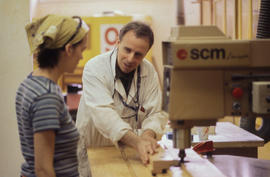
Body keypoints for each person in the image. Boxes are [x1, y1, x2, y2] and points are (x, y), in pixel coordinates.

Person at [76, 21, 168, 176]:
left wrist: (147, 135)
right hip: (95, 148)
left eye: (138, 54)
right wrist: (138, 141)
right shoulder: (95, 68)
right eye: (127, 50)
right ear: (117, 43)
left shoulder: (149, 71)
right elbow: (104, 113)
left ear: (146, 53)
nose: (131, 58)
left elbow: (155, 112)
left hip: (130, 149)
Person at [15, 14, 89, 177]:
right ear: (69, 49)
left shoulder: (30, 82)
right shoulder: (46, 96)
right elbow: (43, 169)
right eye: (81, 50)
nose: (81, 57)